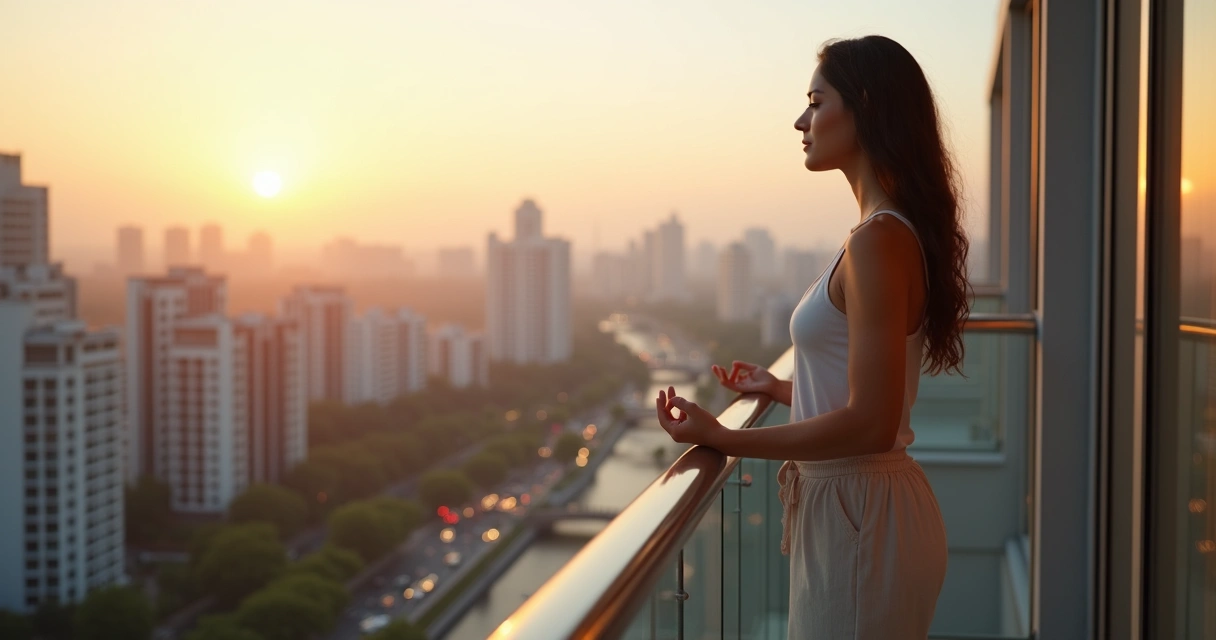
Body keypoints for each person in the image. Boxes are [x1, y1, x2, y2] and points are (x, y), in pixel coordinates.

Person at [656, 35, 970, 640]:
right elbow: (867, 387)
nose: (801, 120)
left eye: (816, 102)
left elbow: (872, 423)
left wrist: (722, 438)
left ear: (867, 108)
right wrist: (781, 387)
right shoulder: (883, 233)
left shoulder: (877, 240)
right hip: (861, 511)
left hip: (860, 517)